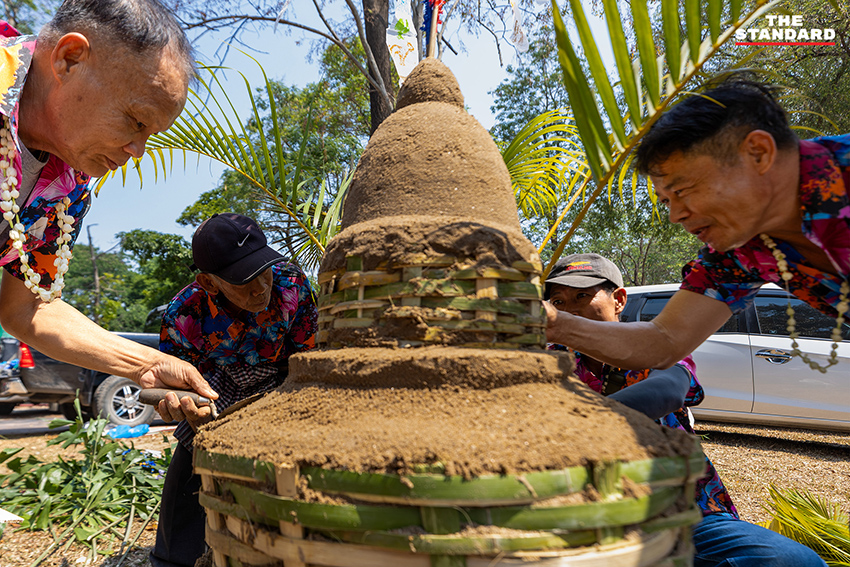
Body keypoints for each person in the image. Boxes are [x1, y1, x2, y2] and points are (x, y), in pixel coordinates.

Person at [545, 79, 849, 373]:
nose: (675, 215)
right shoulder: (735, 255)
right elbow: (663, 341)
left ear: (758, 153)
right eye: (666, 201)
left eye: (682, 191)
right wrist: (551, 322)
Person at [546, 253, 827, 567]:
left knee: (792, 561)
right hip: (584, 513)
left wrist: (580, 429)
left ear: (620, 300)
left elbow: (668, 389)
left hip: (682, 511)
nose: (569, 310)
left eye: (582, 296)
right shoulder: (544, 362)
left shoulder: (652, 346)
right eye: (557, 302)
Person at [0, 1, 216, 404]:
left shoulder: (70, 185)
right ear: (69, 59)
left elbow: (29, 308)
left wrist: (146, 365)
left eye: (151, 134)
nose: (138, 150)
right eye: (136, 121)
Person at [151, 212, 318, 567]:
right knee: (193, 470)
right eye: (244, 281)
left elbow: (308, 355)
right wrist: (189, 411)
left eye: (263, 271)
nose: (260, 288)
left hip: (280, 383)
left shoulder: (292, 286)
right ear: (209, 284)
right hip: (215, 392)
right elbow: (178, 386)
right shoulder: (185, 315)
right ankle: (174, 559)